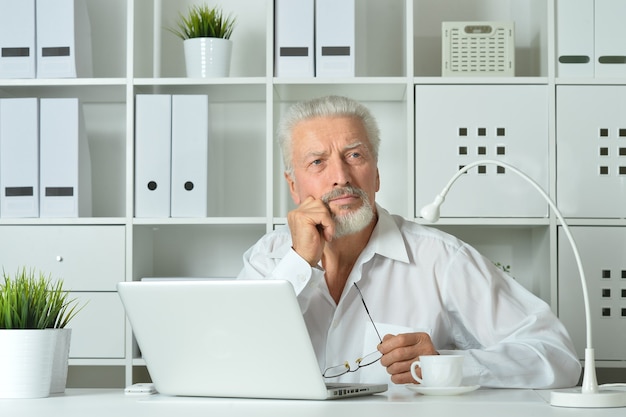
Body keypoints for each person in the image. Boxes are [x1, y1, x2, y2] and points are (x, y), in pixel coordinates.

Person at [237, 95, 581, 388]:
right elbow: (230, 358)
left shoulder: (441, 258)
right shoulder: (268, 258)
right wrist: (298, 262)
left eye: (355, 156)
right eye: (317, 162)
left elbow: (558, 355)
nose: (340, 176)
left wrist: (445, 367)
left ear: (377, 173)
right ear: (293, 186)